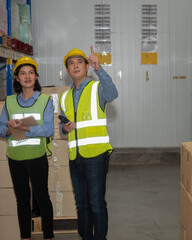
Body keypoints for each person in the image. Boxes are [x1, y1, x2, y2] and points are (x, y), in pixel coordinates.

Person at [60, 46, 118, 240]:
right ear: (68, 71)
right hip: (75, 157)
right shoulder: (65, 97)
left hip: (96, 156)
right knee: (81, 204)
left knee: (96, 203)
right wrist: (64, 129)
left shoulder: (97, 88)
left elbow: (112, 94)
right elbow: (66, 126)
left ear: (86, 67)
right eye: (70, 63)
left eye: (79, 62)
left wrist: (99, 69)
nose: (75, 66)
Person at [0, 57, 54, 240]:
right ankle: (25, 237)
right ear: (17, 78)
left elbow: (48, 129)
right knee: (22, 200)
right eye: (22, 73)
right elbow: (1, 130)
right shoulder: (9, 102)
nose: (27, 76)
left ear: (36, 76)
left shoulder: (45, 100)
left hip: (36, 156)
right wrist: (9, 127)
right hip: (15, 158)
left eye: (31, 72)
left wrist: (22, 127)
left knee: (42, 198)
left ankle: (48, 236)